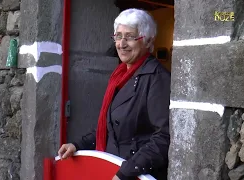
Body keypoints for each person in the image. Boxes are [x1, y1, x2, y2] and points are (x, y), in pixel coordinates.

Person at [58, 8, 170, 180]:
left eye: (130, 37)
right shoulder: (120, 76)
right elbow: (109, 127)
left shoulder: (157, 78)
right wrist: (77, 145)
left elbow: (164, 137)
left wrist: (126, 171)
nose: (121, 44)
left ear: (147, 41)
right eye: (118, 36)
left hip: (136, 175)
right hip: (115, 168)